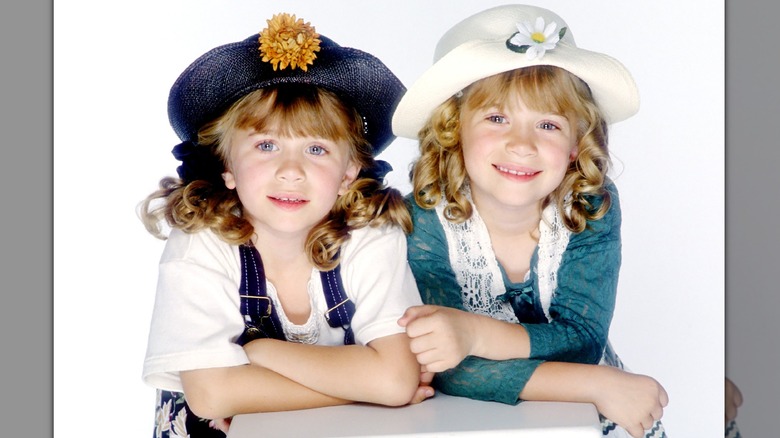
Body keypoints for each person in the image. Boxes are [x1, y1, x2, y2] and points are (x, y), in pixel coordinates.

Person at [139, 13, 421, 437]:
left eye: (316, 149)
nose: (291, 171)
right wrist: (365, 386)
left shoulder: (369, 235)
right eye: (266, 145)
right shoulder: (201, 243)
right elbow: (212, 395)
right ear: (227, 166)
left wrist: (259, 352)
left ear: (348, 172)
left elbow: (396, 378)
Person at [392, 5, 667, 438]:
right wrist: (595, 383)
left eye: (547, 124)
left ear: (576, 144)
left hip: (586, 405)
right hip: (463, 418)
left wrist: (474, 335)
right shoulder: (422, 222)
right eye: (497, 118)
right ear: (453, 129)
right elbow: (443, 365)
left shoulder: (589, 207)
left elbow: (582, 339)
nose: (521, 144)